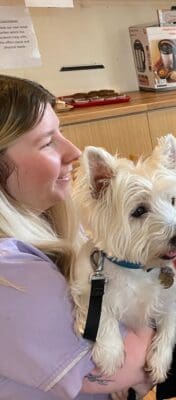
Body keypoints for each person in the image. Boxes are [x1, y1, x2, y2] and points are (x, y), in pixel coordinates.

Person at [0, 74, 154, 400]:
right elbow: (129, 368)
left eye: (61, 131)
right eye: (46, 142)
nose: (74, 151)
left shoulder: (46, 224)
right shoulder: (11, 273)